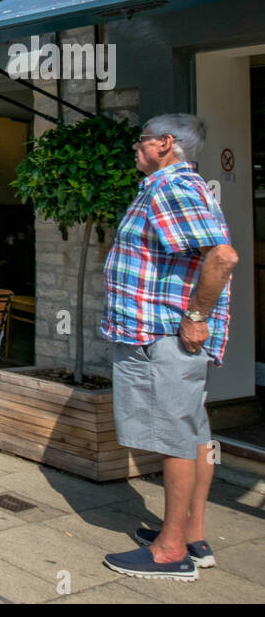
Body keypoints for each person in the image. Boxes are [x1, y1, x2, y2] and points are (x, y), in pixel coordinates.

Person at [99, 115, 237, 582]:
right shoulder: (173, 186)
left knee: (175, 440)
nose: (134, 149)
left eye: (140, 142)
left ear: (164, 143)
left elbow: (222, 257)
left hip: (160, 337)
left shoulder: (172, 187)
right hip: (163, 337)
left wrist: (196, 317)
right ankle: (191, 536)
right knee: (194, 435)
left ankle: (170, 551)